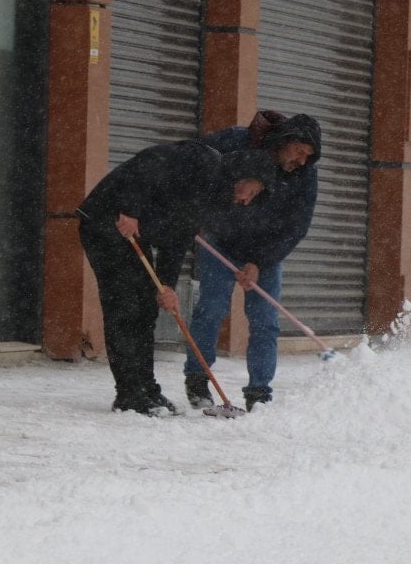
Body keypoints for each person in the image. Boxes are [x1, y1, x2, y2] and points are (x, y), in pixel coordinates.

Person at [77, 139, 276, 415]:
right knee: (126, 307)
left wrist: (166, 285)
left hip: (132, 233)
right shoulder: (204, 161)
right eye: (252, 191)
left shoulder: (214, 199)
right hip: (108, 220)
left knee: (146, 306)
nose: (246, 200)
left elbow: (178, 238)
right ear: (242, 176)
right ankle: (129, 395)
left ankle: (147, 389)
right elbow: (146, 163)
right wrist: (130, 209)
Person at [183, 111, 322, 412]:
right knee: (211, 310)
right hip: (219, 240)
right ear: (286, 140)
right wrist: (196, 207)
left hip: (266, 252)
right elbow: (191, 157)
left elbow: (297, 226)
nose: (301, 161)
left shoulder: (305, 174)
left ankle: (259, 392)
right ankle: (197, 379)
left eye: (308, 156)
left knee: (265, 322)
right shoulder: (237, 140)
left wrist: (259, 261)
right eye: (299, 151)